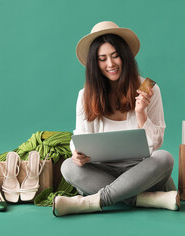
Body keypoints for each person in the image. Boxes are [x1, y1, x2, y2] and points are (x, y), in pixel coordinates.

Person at [53, 21, 178, 216]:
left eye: (115, 56)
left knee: (165, 158)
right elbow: (81, 137)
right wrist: (76, 153)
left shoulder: (148, 89)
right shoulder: (86, 95)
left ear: (125, 56)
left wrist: (141, 113)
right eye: (102, 59)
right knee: (68, 166)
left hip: (141, 171)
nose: (110, 64)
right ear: (95, 63)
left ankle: (91, 202)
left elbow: (156, 144)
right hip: (103, 171)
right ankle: (143, 199)